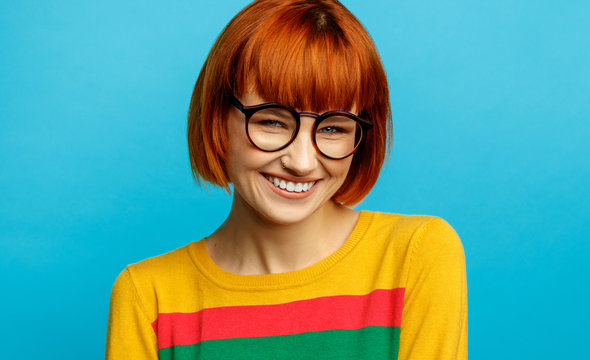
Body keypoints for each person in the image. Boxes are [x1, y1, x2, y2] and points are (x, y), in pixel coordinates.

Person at [105, 1, 467, 359]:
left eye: (332, 128)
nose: (302, 162)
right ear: (218, 117)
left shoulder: (416, 255)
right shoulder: (148, 295)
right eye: (272, 121)